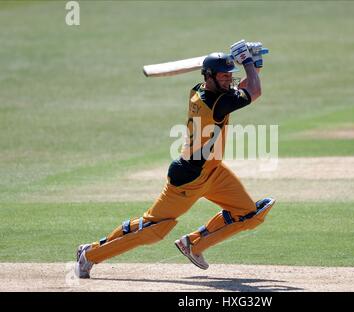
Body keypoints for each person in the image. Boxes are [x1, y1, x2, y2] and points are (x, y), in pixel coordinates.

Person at [75, 40, 276, 278]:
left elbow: (242, 91)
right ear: (210, 76)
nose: (227, 80)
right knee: (153, 229)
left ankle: (194, 244)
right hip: (188, 179)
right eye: (223, 76)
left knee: (248, 214)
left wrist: (255, 66)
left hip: (213, 171)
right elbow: (254, 90)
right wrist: (248, 63)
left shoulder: (201, 89)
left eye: (229, 76)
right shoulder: (216, 102)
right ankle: (90, 254)